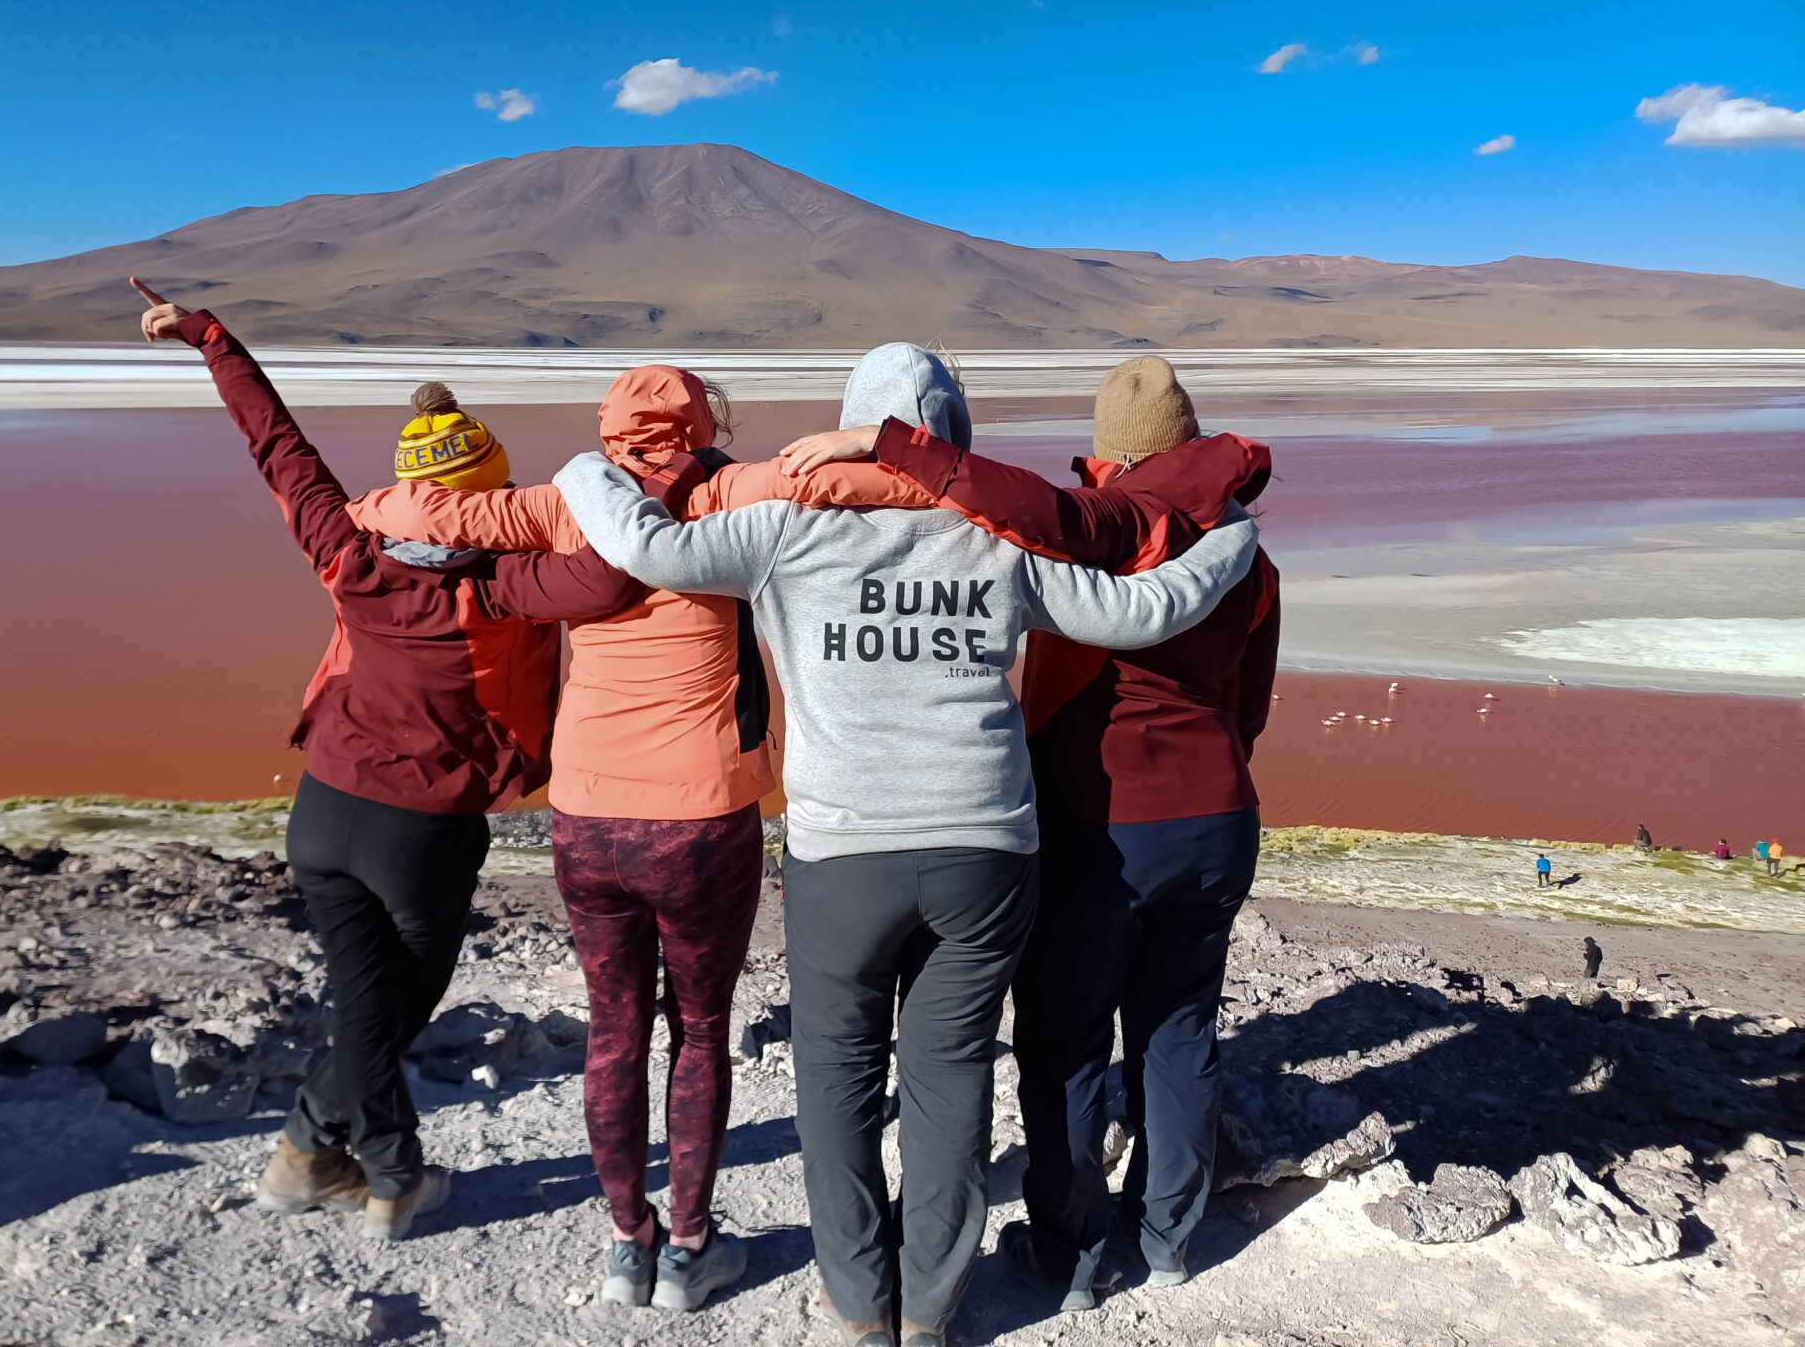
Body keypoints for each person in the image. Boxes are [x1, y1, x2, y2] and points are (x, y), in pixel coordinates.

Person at [553, 343, 1261, 1347]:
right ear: (950, 438)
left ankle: (858, 1304)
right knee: (948, 1079)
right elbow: (1141, 611)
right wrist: (1226, 541)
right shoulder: (998, 543)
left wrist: (585, 466)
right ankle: (930, 1306)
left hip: (842, 856)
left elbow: (641, 546)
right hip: (983, 858)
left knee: (836, 1083)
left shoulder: (782, 531)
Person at [343, 364, 934, 1310]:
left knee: (613, 1029)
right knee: (699, 1030)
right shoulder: (729, 489)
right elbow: (894, 490)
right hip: (700, 815)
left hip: (586, 814)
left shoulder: (560, 505)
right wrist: (872, 445)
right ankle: (692, 1247)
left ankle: (630, 1244)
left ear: (610, 430)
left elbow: (415, 514)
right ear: (699, 423)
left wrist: (398, 519)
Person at [129, 280, 650, 1242]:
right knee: (386, 1010)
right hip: (423, 831)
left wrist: (213, 340)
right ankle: (389, 1176)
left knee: (370, 1009)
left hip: (322, 811)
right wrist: (590, 481)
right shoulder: (506, 585)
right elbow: (616, 569)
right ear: (487, 495)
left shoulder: (350, 551)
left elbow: (278, 448)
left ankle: (305, 1158)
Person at [778, 352, 1278, 1309]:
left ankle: (1072, 1255)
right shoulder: (1248, 559)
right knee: (1179, 1030)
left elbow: (1059, 671)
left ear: (1108, 453)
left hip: (1098, 824)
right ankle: (1170, 1237)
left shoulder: (1070, 537)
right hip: (1214, 816)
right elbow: (1247, 705)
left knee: (1068, 1039)